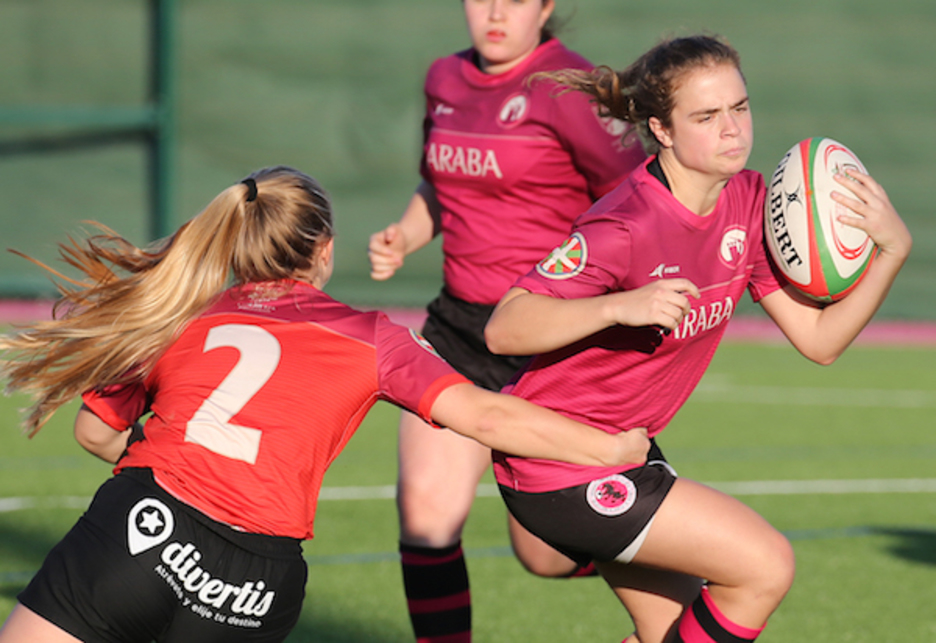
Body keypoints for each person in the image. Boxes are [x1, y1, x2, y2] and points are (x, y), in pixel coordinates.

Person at [0, 167, 652, 643]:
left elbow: (93, 430)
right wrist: (610, 448)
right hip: (253, 576)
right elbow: (487, 416)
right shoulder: (368, 336)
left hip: (139, 526)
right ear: (324, 250)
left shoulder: (180, 309)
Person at [483, 35, 912, 643]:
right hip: (561, 461)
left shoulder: (751, 203)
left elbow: (820, 340)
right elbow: (506, 327)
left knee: (672, 634)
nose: (732, 129)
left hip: (627, 449)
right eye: (706, 117)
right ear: (661, 129)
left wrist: (893, 251)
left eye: (739, 108)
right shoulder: (626, 223)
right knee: (765, 566)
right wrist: (619, 306)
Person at [368, 1, 646, 639]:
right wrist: (405, 236)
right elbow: (437, 185)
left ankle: (686, 574)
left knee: (545, 553)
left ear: (546, 7)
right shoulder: (443, 78)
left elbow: (639, 200)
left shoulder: (574, 88)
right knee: (427, 521)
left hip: (550, 342)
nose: (495, 12)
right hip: (457, 332)